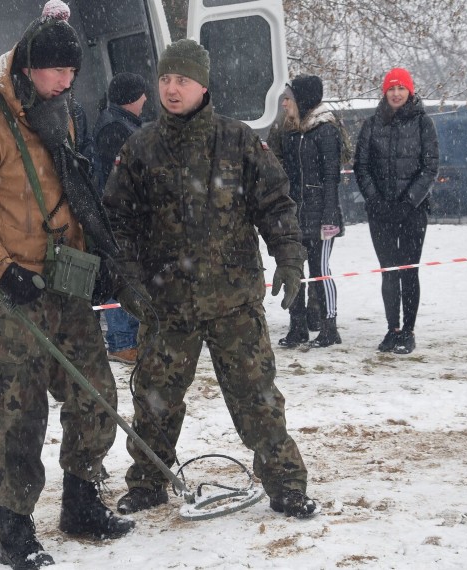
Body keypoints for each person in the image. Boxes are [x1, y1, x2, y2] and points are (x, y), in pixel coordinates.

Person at [0, 4, 134, 568]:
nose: (67, 82)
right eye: (56, 73)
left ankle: (80, 501)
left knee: (95, 394)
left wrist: (96, 257)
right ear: (28, 69)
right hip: (11, 289)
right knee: (19, 410)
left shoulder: (57, 111)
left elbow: (66, 190)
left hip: (65, 281)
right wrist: (2, 270)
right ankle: (15, 529)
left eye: (73, 73)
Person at [103, 39, 319, 519]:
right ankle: (147, 481)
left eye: (181, 80)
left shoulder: (238, 140)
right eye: (164, 80)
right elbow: (118, 223)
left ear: (203, 85)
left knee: (257, 398)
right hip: (167, 304)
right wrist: (127, 280)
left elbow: (276, 203)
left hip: (234, 301)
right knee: (155, 398)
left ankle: (285, 484)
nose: (171, 89)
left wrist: (289, 256)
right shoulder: (140, 148)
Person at [354, 67, 439, 355]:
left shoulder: (423, 123)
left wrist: (409, 201)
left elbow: (430, 168)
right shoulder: (371, 124)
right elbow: (361, 167)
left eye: (401, 88)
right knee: (389, 272)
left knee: (408, 271)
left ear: (409, 91)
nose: (396, 93)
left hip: (412, 211)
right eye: (391, 88)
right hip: (380, 212)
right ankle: (393, 329)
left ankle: (409, 331)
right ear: (384, 92)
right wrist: (375, 200)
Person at [268, 75, 345, 348]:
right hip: (294, 215)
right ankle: (297, 326)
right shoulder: (289, 132)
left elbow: (330, 178)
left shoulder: (326, 131)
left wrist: (329, 217)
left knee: (320, 270)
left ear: (302, 100)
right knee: (294, 270)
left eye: (289, 98)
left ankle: (329, 326)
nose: (285, 103)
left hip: (320, 214)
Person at [93, 72, 148, 365]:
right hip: (119, 216)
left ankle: (129, 336)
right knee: (121, 275)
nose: (146, 100)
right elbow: (123, 177)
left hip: (123, 214)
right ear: (131, 97)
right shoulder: (116, 129)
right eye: (142, 94)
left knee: (127, 273)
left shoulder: (120, 123)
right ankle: (121, 341)